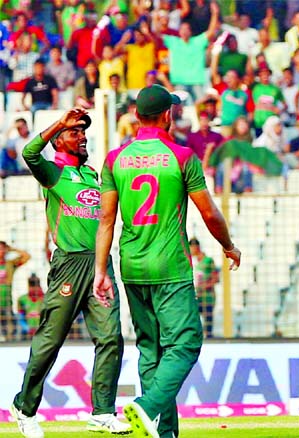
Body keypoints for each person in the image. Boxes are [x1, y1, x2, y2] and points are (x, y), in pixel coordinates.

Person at [93, 84, 241, 438]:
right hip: (170, 265)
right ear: (166, 116)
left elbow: (106, 220)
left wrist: (101, 270)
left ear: (136, 117)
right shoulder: (182, 156)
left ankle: (164, 431)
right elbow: (209, 213)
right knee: (187, 342)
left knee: (150, 349)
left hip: (131, 264)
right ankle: (147, 408)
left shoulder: (114, 159)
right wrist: (229, 245)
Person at [10, 108, 130, 437]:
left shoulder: (93, 174)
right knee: (50, 341)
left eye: (83, 132)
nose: (82, 136)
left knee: (110, 338)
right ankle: (24, 406)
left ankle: (103, 412)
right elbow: (29, 152)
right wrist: (59, 122)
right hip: (69, 265)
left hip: (100, 264)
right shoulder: (53, 172)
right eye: (75, 132)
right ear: (60, 140)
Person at [189, 238, 219, 339]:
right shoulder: (193, 262)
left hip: (208, 297)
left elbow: (216, 278)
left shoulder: (208, 261)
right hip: (197, 297)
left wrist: (203, 286)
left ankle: (209, 339)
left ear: (196, 247)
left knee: (208, 320)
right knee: (193, 318)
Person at [0, 241, 30, 341]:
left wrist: (12, 249)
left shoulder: (10, 264)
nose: (1, 251)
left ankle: (9, 341)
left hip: (6, 301)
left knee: (9, 325)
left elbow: (26, 256)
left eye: (3, 248)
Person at [17, 274, 44, 339]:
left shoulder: (45, 299)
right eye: (32, 285)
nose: (34, 288)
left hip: (42, 332)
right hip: (27, 334)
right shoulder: (22, 299)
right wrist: (27, 329)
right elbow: (20, 317)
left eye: (36, 285)